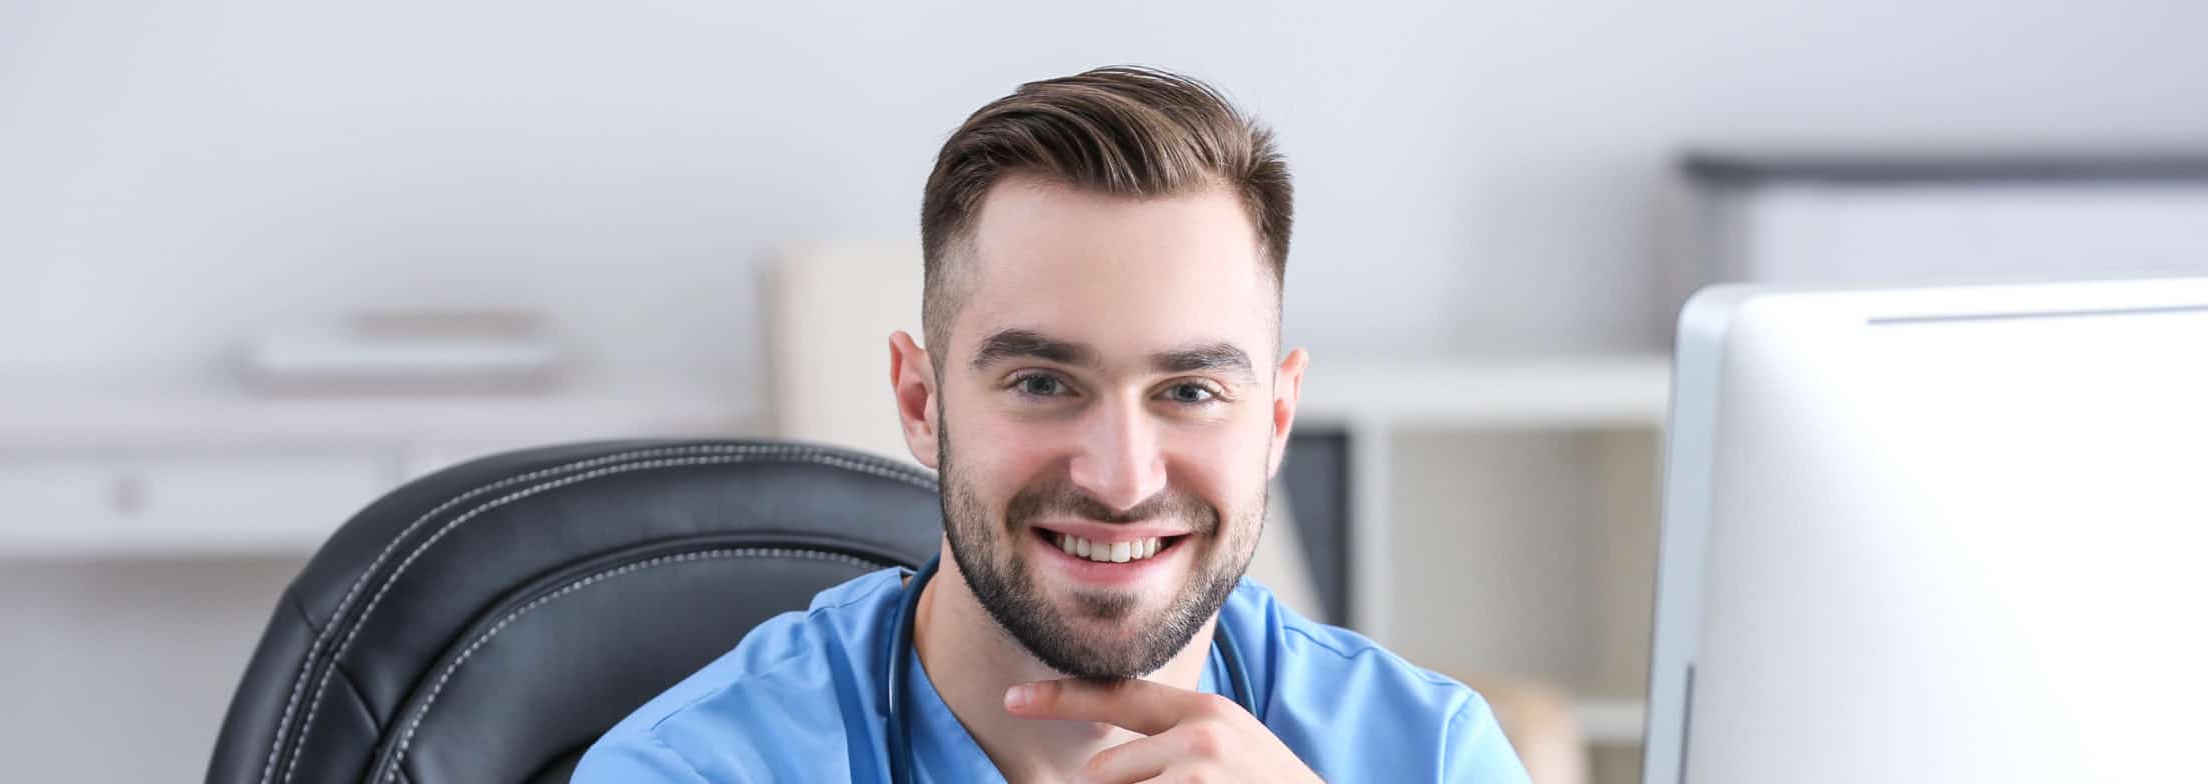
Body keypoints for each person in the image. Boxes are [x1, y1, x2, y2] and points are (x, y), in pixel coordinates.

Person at [574, 65, 1527, 783]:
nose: (1119, 480)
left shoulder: (1431, 754)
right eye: (1041, 383)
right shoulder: (692, 772)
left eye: (1190, 390)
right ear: (921, 402)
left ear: (1276, 418)